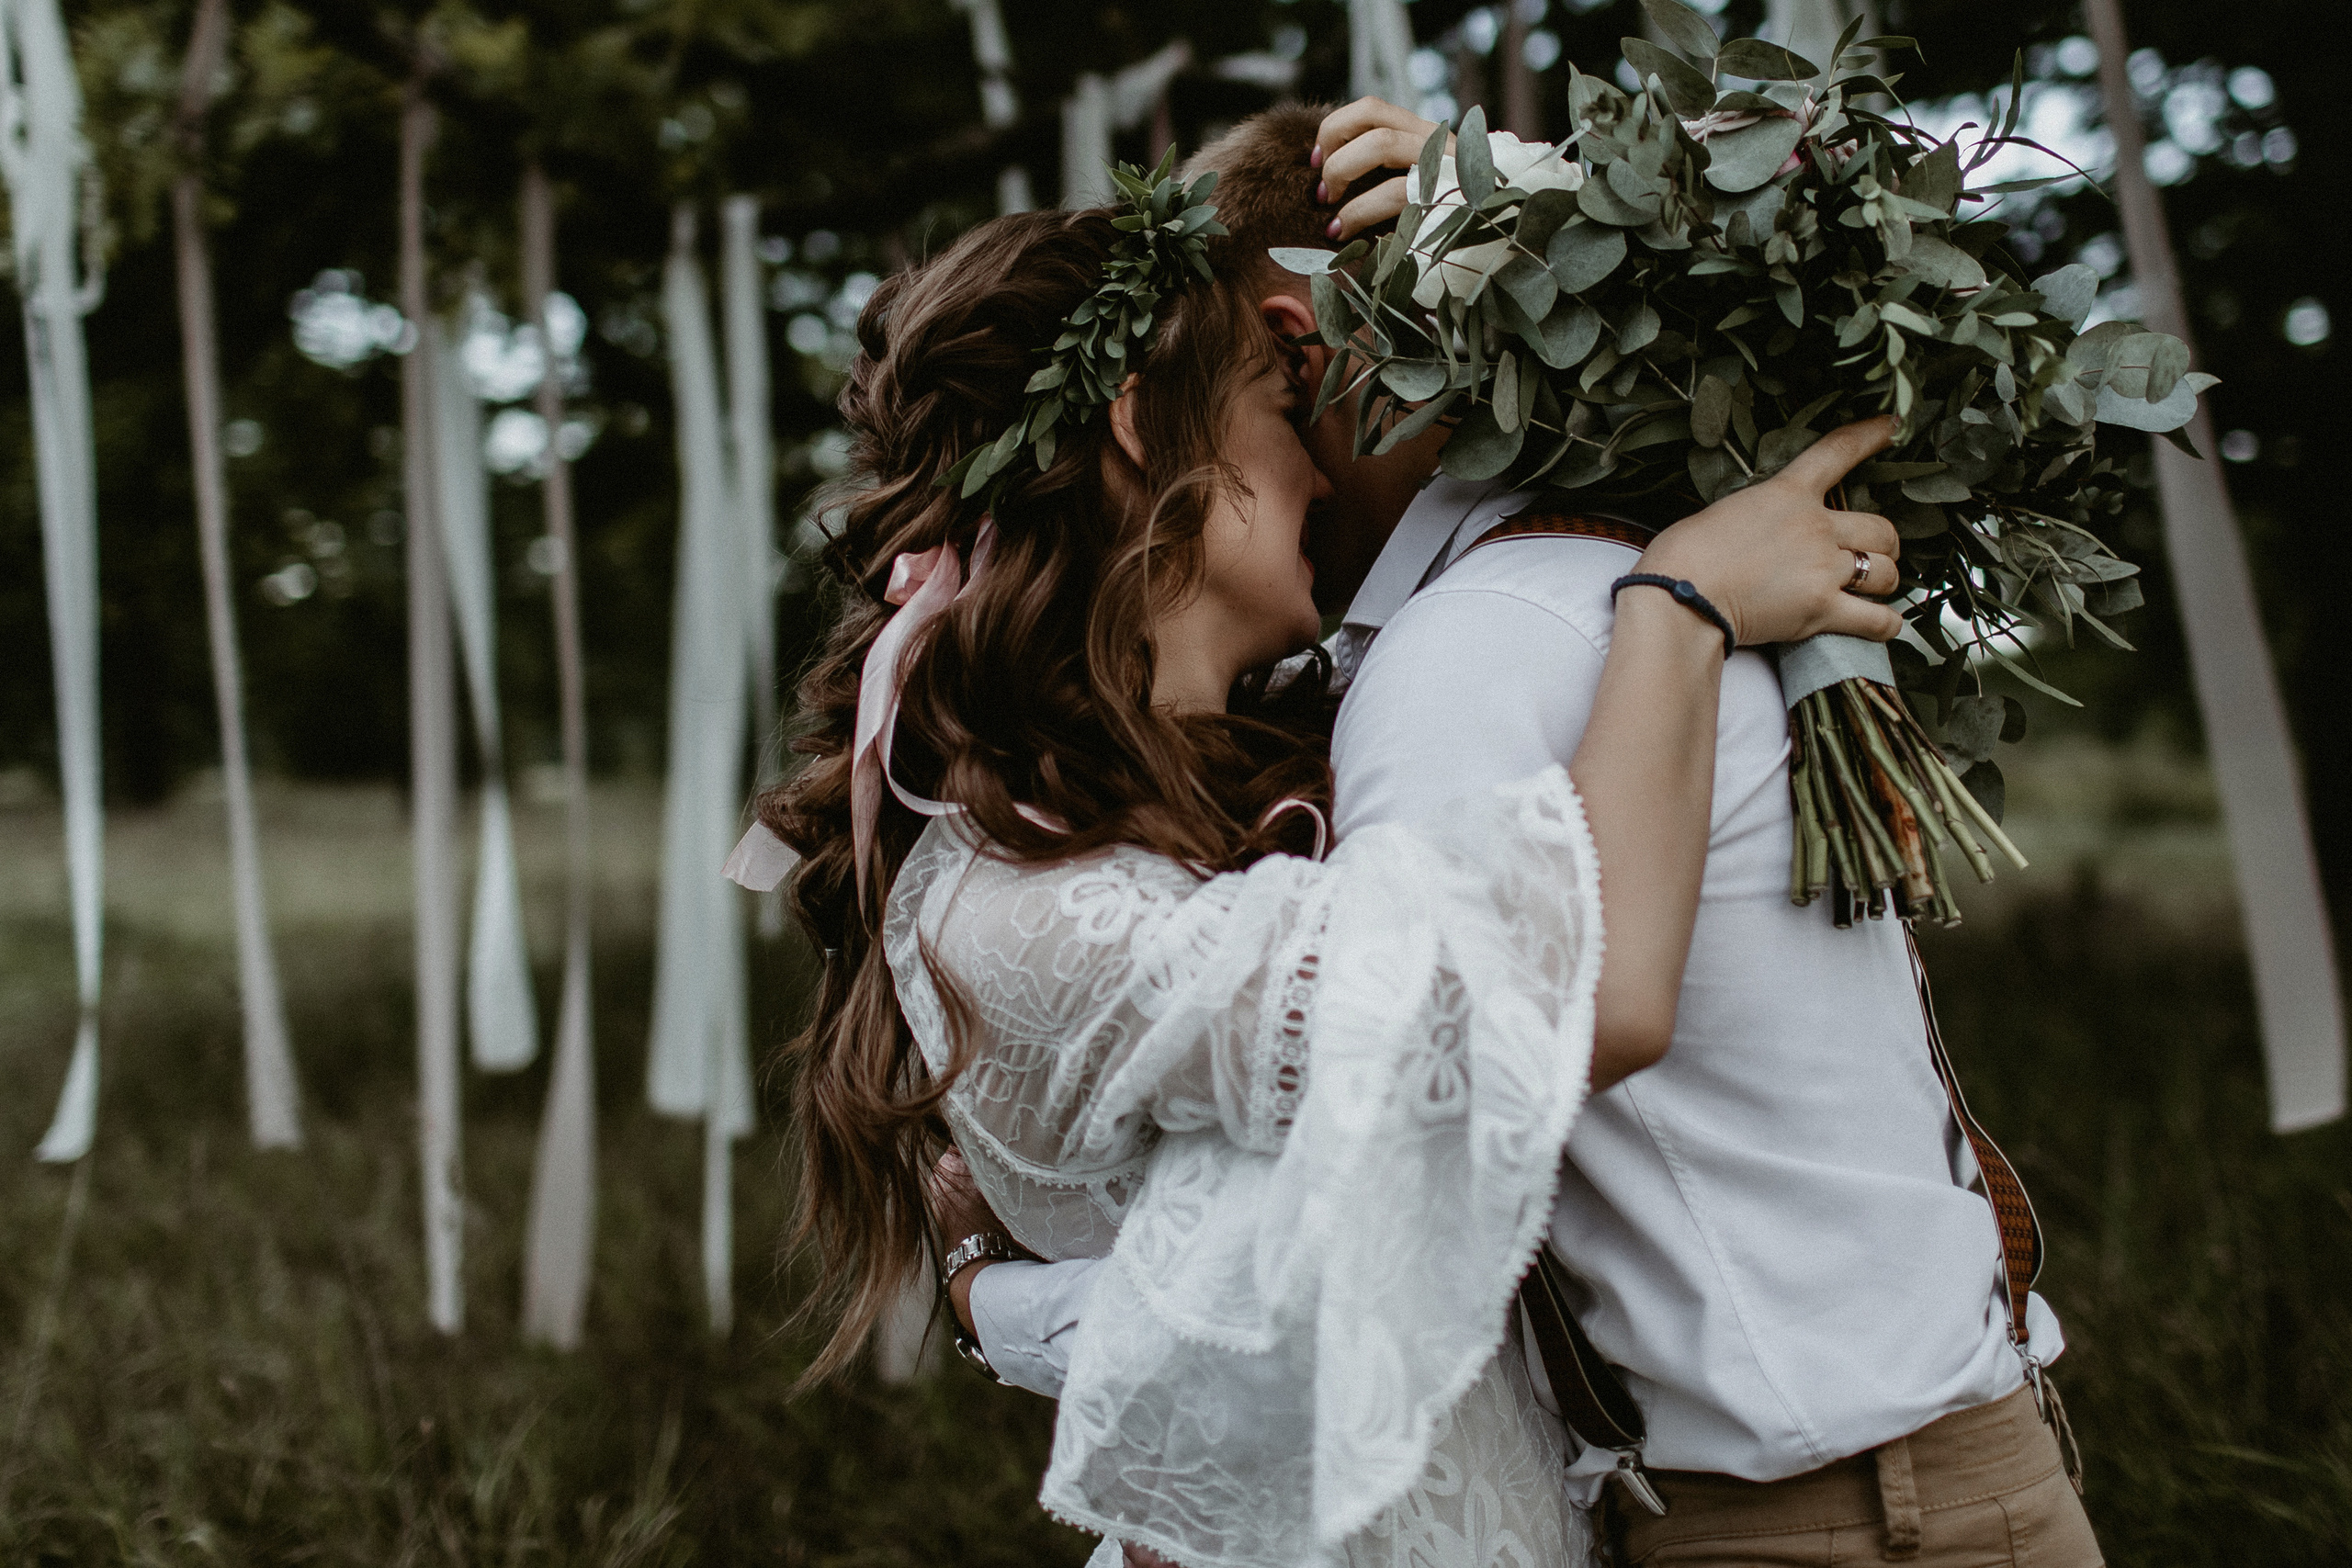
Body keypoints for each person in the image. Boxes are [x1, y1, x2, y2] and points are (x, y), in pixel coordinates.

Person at [946, 101, 2106, 1568]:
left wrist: (1003, 1305)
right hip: (1943, 1464)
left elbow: (1477, 1081)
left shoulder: (1473, 644)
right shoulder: (1637, 562)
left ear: (1305, 349)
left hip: (1828, 1520)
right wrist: (1559, 217)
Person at [756, 159, 1902, 1567]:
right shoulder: (1021, 912)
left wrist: (1560, 225)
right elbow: (1555, 998)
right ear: (1140, 428)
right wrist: (1678, 606)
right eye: (1278, 407)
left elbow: (1241, 1273)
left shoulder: (1208, 799)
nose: (1318, 456)